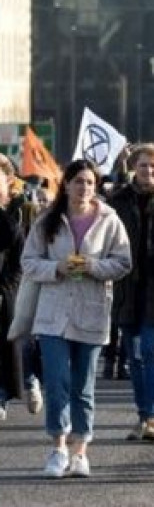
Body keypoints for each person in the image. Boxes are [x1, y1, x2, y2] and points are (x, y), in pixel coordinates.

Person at [22, 159, 132, 478]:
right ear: (66, 184)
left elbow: (123, 262)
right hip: (53, 313)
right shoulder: (47, 220)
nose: (84, 188)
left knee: (83, 386)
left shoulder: (109, 221)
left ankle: (80, 450)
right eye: (78, 181)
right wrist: (55, 268)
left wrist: (93, 267)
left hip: (91, 311)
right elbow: (28, 262)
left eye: (89, 182)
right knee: (56, 382)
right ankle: (58, 448)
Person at [108, 143, 154, 443]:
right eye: (144, 166)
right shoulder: (118, 200)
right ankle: (143, 414)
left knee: (152, 353)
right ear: (134, 168)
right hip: (126, 289)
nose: (149, 171)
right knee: (133, 358)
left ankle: (153, 417)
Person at [0, 157, 24, 420]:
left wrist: (5, 288)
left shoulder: (11, 221)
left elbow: (19, 263)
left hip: (3, 294)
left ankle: (2, 395)